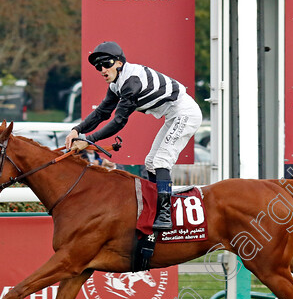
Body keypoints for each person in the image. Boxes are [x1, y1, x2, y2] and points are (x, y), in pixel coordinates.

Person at [65, 41, 203, 230]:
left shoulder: (131, 82)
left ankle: (164, 214)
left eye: (106, 64)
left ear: (119, 63)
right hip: (174, 114)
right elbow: (102, 113)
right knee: (150, 162)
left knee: (161, 161)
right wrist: (77, 129)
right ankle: (156, 208)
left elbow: (119, 121)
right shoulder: (117, 84)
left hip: (185, 113)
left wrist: (89, 140)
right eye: (98, 66)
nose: (102, 70)